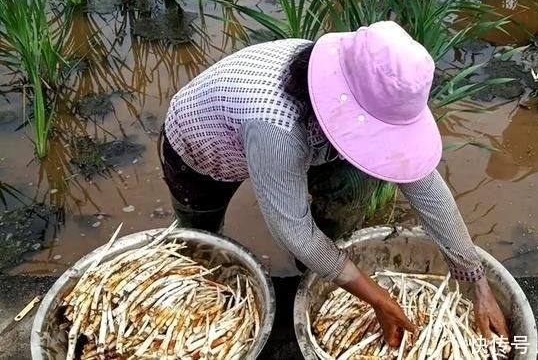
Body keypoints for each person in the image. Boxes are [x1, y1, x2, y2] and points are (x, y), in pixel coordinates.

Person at [157, 20, 509, 346]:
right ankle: (212, 284)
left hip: (296, 139)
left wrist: (477, 283)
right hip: (199, 149)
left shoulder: (355, 79)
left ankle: (314, 270)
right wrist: (376, 296)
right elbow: (291, 230)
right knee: (200, 240)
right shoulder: (276, 129)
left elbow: (424, 186)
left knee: (351, 183)